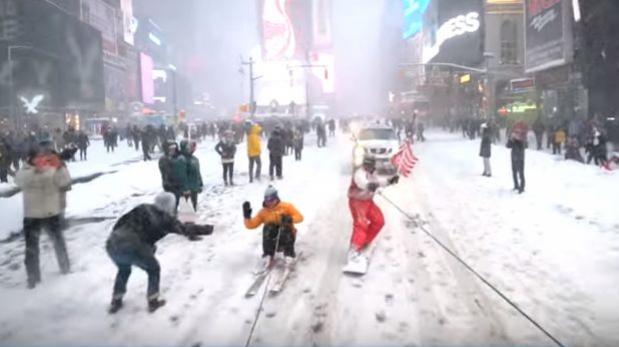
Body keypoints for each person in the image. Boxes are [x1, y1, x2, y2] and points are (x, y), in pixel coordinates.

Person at [105, 192, 212, 313]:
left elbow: (120, 223)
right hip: (134, 244)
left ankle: (116, 300)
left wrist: (145, 245)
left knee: (124, 270)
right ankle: (153, 301)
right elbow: (185, 229)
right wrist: (206, 229)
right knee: (153, 269)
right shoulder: (165, 219)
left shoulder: (142, 207)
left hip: (112, 243)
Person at [15, 137, 72, 288]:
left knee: (59, 243)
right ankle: (33, 278)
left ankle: (65, 268)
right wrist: (35, 170)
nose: (41, 160)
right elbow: (19, 181)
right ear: (31, 159)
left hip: (51, 213)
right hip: (32, 216)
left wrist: (59, 166)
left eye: (43, 157)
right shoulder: (25, 171)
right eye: (37, 158)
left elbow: (65, 182)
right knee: (31, 249)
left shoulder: (53, 168)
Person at [345, 155, 399, 271]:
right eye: (368, 164)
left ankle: (363, 242)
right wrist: (369, 185)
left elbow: (378, 182)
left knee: (379, 221)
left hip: (367, 202)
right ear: (364, 164)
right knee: (361, 225)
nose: (370, 166)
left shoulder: (372, 173)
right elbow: (361, 182)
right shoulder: (359, 173)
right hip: (357, 202)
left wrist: (389, 181)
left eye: (371, 164)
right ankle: (353, 253)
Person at [242, 185, 303, 271]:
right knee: (268, 226)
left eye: (271, 200)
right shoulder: (263, 212)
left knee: (284, 226)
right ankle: (268, 254)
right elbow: (251, 225)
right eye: (266, 200)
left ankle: (289, 255)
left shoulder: (287, 206)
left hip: (286, 237)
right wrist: (246, 217)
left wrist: (290, 219)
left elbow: (300, 217)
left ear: (276, 198)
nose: (269, 202)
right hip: (273, 241)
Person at [180, 140, 203, 210]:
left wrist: (200, 183)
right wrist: (185, 188)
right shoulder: (181, 159)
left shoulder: (194, 159)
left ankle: (192, 220)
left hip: (194, 187)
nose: (191, 148)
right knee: (187, 209)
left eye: (191, 146)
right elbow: (181, 175)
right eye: (188, 146)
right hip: (186, 189)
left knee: (194, 206)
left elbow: (197, 172)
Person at [507, 128, 527, 194]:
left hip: (520, 158)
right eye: (515, 133)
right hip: (513, 158)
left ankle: (522, 187)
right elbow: (508, 146)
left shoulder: (522, 139)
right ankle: (516, 185)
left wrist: (518, 140)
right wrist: (511, 139)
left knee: (521, 173)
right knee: (514, 172)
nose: (516, 135)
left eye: (517, 133)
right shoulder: (513, 140)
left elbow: (523, 147)